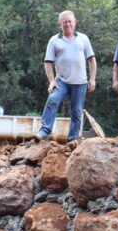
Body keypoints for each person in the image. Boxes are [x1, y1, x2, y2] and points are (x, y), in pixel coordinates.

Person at [36, 10, 96, 142]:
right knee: (52, 100)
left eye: (70, 21)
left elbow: (91, 59)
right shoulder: (54, 40)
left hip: (80, 82)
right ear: (60, 25)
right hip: (61, 81)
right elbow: (48, 62)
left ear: (75, 22)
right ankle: (44, 130)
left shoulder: (83, 38)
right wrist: (51, 81)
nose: (67, 24)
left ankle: (72, 140)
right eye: (64, 22)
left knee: (76, 112)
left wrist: (92, 79)